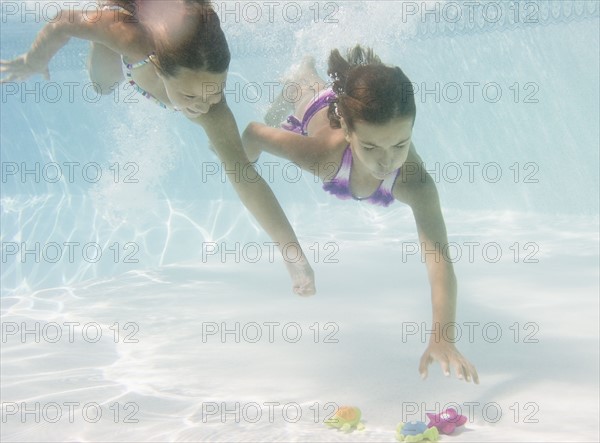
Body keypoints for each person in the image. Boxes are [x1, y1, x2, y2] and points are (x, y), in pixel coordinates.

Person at [0, 0, 315, 296]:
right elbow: (63, 22)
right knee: (103, 85)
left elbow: (245, 178)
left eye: (214, 91)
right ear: (159, 67)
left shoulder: (213, 110)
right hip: (125, 20)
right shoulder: (128, 37)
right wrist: (33, 61)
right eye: (190, 97)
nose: (204, 105)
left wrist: (294, 256)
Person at [242, 46, 479, 383]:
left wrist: (443, 337)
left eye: (401, 144)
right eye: (371, 147)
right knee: (303, 88)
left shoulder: (416, 185)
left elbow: (439, 259)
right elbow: (253, 134)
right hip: (317, 108)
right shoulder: (322, 156)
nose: (386, 162)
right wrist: (244, 166)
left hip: (353, 114)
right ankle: (303, 73)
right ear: (350, 134)